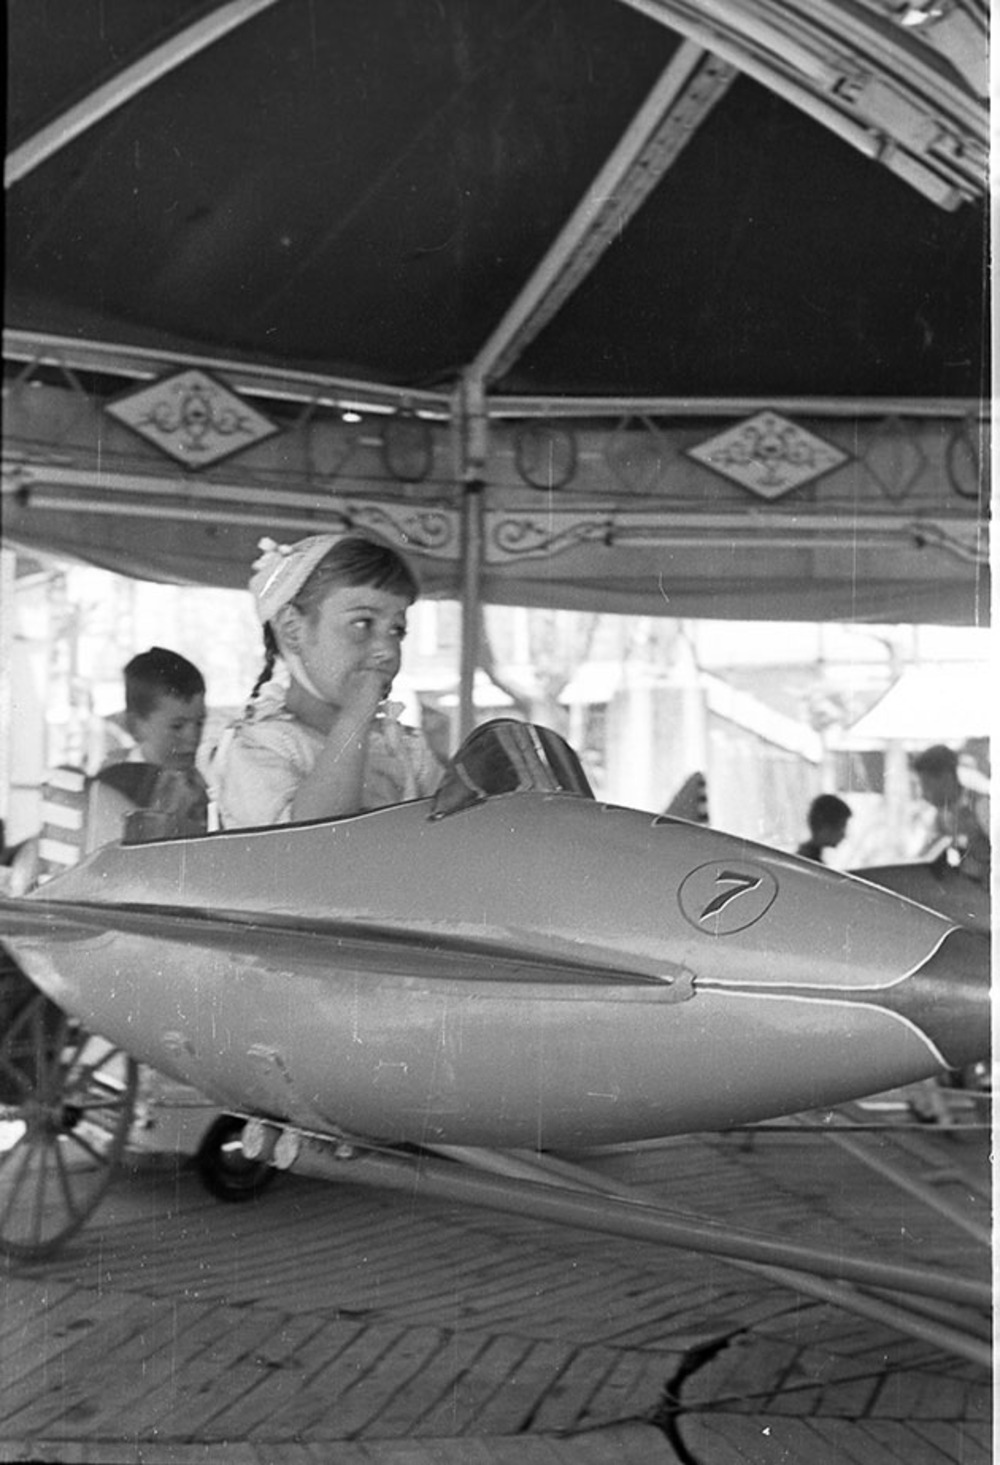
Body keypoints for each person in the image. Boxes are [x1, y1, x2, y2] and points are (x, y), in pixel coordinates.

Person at [213, 532, 441, 828]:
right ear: (293, 630)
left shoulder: (405, 750)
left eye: (397, 630)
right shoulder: (258, 748)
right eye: (363, 624)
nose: (386, 650)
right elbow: (313, 846)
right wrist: (356, 716)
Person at [87, 647, 209, 848]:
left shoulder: (202, 784)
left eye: (199, 723)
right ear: (135, 726)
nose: (193, 738)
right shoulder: (112, 786)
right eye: (177, 726)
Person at [911, 743, 990, 885]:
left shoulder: (981, 805)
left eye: (927, 785)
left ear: (946, 778)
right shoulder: (940, 816)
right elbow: (924, 856)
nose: (923, 794)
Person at [796, 793, 851, 864]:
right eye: (842, 827)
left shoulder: (804, 859)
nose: (844, 835)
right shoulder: (810, 864)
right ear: (825, 828)